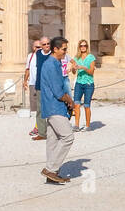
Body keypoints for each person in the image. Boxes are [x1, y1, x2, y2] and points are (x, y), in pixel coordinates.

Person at [40, 36, 78, 184]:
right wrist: (70, 100)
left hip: (51, 106)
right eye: (64, 49)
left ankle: (52, 174)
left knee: (53, 140)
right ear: (55, 49)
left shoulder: (54, 63)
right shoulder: (51, 64)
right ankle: (50, 168)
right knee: (68, 137)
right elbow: (57, 90)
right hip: (54, 105)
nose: (65, 52)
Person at [27, 37, 51, 140]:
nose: (46, 46)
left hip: (50, 86)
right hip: (39, 85)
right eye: (44, 44)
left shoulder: (53, 54)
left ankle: (55, 131)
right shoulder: (38, 54)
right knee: (40, 110)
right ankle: (42, 133)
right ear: (41, 46)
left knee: (52, 110)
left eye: (48, 44)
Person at [70, 39, 96, 131]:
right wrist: (73, 68)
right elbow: (73, 72)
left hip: (88, 84)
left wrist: (83, 67)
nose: (83, 47)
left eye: (85, 46)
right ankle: (76, 125)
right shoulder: (76, 58)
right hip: (79, 83)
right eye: (81, 46)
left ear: (87, 47)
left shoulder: (91, 57)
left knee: (86, 105)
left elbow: (91, 72)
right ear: (79, 47)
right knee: (76, 104)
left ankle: (88, 125)